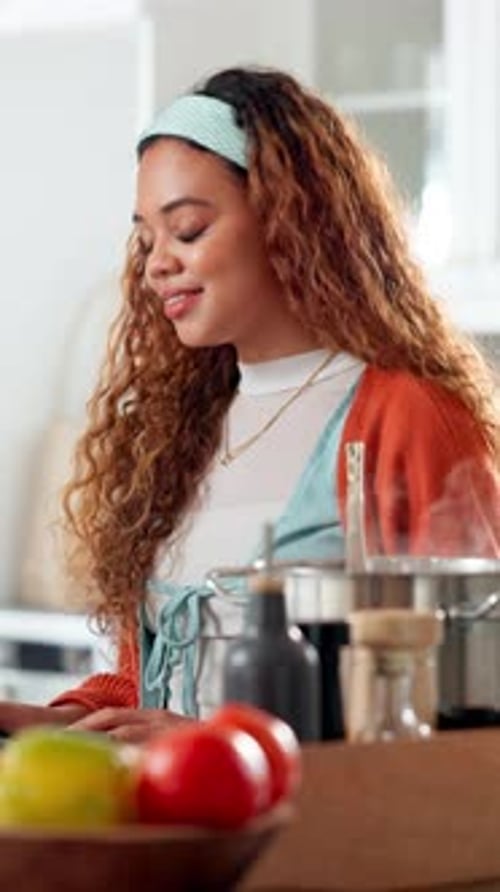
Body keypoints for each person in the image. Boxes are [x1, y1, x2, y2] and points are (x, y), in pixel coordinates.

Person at [1, 65, 499, 742]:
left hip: (321, 842)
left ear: (288, 219)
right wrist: (54, 723)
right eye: (147, 240)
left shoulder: (409, 416)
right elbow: (141, 685)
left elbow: (463, 710)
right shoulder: (175, 435)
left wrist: (222, 744)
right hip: (188, 836)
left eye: (189, 230)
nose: (155, 265)